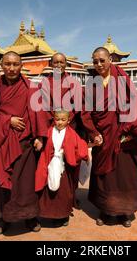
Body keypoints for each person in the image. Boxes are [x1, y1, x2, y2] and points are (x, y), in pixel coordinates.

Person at [81, 47, 137, 228]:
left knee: (125, 175)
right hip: (103, 138)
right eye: (95, 61)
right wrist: (93, 133)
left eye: (102, 60)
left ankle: (126, 211)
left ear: (110, 59)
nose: (98, 64)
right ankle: (105, 210)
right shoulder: (92, 84)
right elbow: (86, 113)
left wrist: (129, 132)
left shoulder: (121, 79)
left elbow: (133, 105)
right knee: (104, 176)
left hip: (124, 137)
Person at [0, 51, 48, 235]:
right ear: (1, 65)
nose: (11, 68)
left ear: (21, 66)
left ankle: (30, 216)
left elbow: (40, 113)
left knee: (27, 184)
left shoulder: (31, 87)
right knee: (6, 183)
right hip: (5, 144)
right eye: (7, 64)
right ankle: (6, 217)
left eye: (15, 64)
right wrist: (8, 120)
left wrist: (40, 137)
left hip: (26, 144)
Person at [38, 52, 86, 209]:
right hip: (51, 128)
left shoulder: (74, 83)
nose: (59, 65)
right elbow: (42, 107)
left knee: (71, 164)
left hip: (70, 128)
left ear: (66, 64)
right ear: (51, 64)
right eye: (55, 62)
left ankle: (71, 197)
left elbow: (79, 106)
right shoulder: (45, 83)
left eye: (62, 62)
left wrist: (66, 120)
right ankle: (52, 199)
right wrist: (54, 121)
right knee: (51, 162)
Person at [35, 110, 89, 227]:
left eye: (63, 120)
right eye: (57, 119)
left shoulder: (72, 133)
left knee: (64, 193)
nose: (59, 122)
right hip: (49, 165)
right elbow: (44, 147)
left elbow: (80, 147)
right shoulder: (49, 131)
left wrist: (71, 154)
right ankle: (47, 214)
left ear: (68, 121)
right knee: (47, 190)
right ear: (54, 119)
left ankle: (63, 215)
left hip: (65, 167)